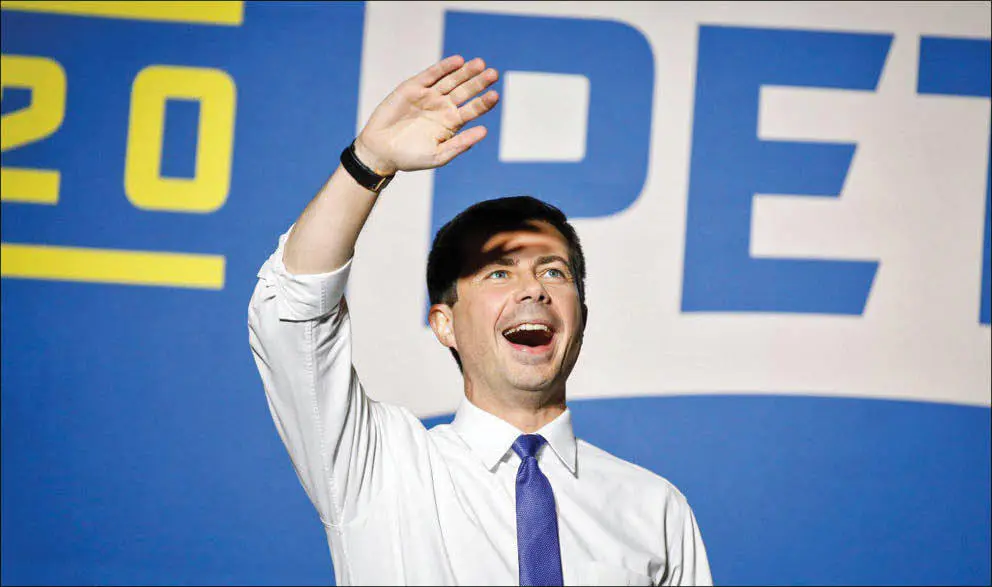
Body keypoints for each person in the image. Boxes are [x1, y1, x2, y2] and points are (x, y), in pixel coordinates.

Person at [248, 55, 713, 586]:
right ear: (443, 324)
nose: (533, 289)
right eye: (498, 273)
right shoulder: (379, 467)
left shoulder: (655, 510)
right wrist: (368, 162)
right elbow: (293, 311)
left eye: (554, 272)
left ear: (581, 317)